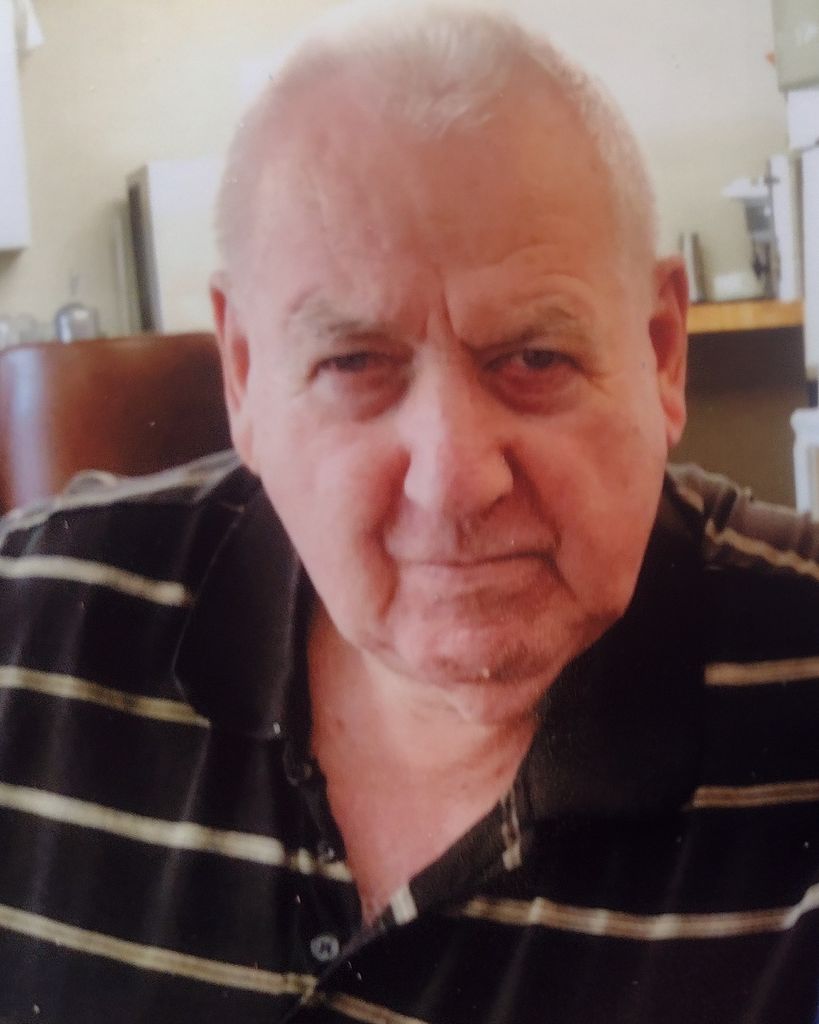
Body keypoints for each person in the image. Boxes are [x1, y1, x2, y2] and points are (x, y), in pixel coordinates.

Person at [0, 5, 818, 1023]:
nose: (453, 480)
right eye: (354, 363)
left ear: (660, 351)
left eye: (535, 357)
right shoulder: (28, 635)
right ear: (244, 375)